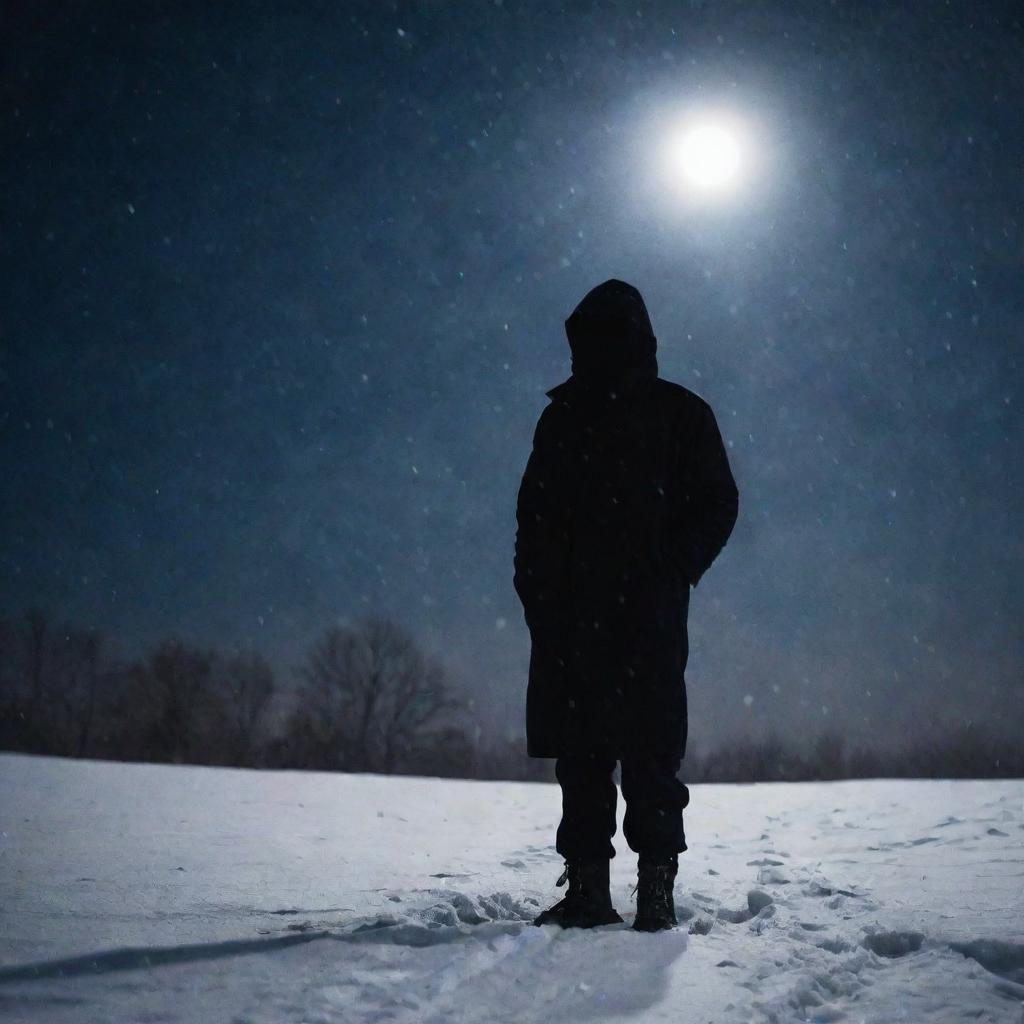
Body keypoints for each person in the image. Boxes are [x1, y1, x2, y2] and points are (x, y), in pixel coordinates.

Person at [513, 279, 739, 932]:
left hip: (647, 617)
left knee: (649, 752)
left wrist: (672, 570)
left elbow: (718, 502)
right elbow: (534, 517)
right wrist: (538, 593)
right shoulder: (563, 419)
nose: (599, 352)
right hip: (571, 619)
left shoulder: (679, 414)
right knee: (582, 756)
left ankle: (656, 893)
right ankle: (588, 891)